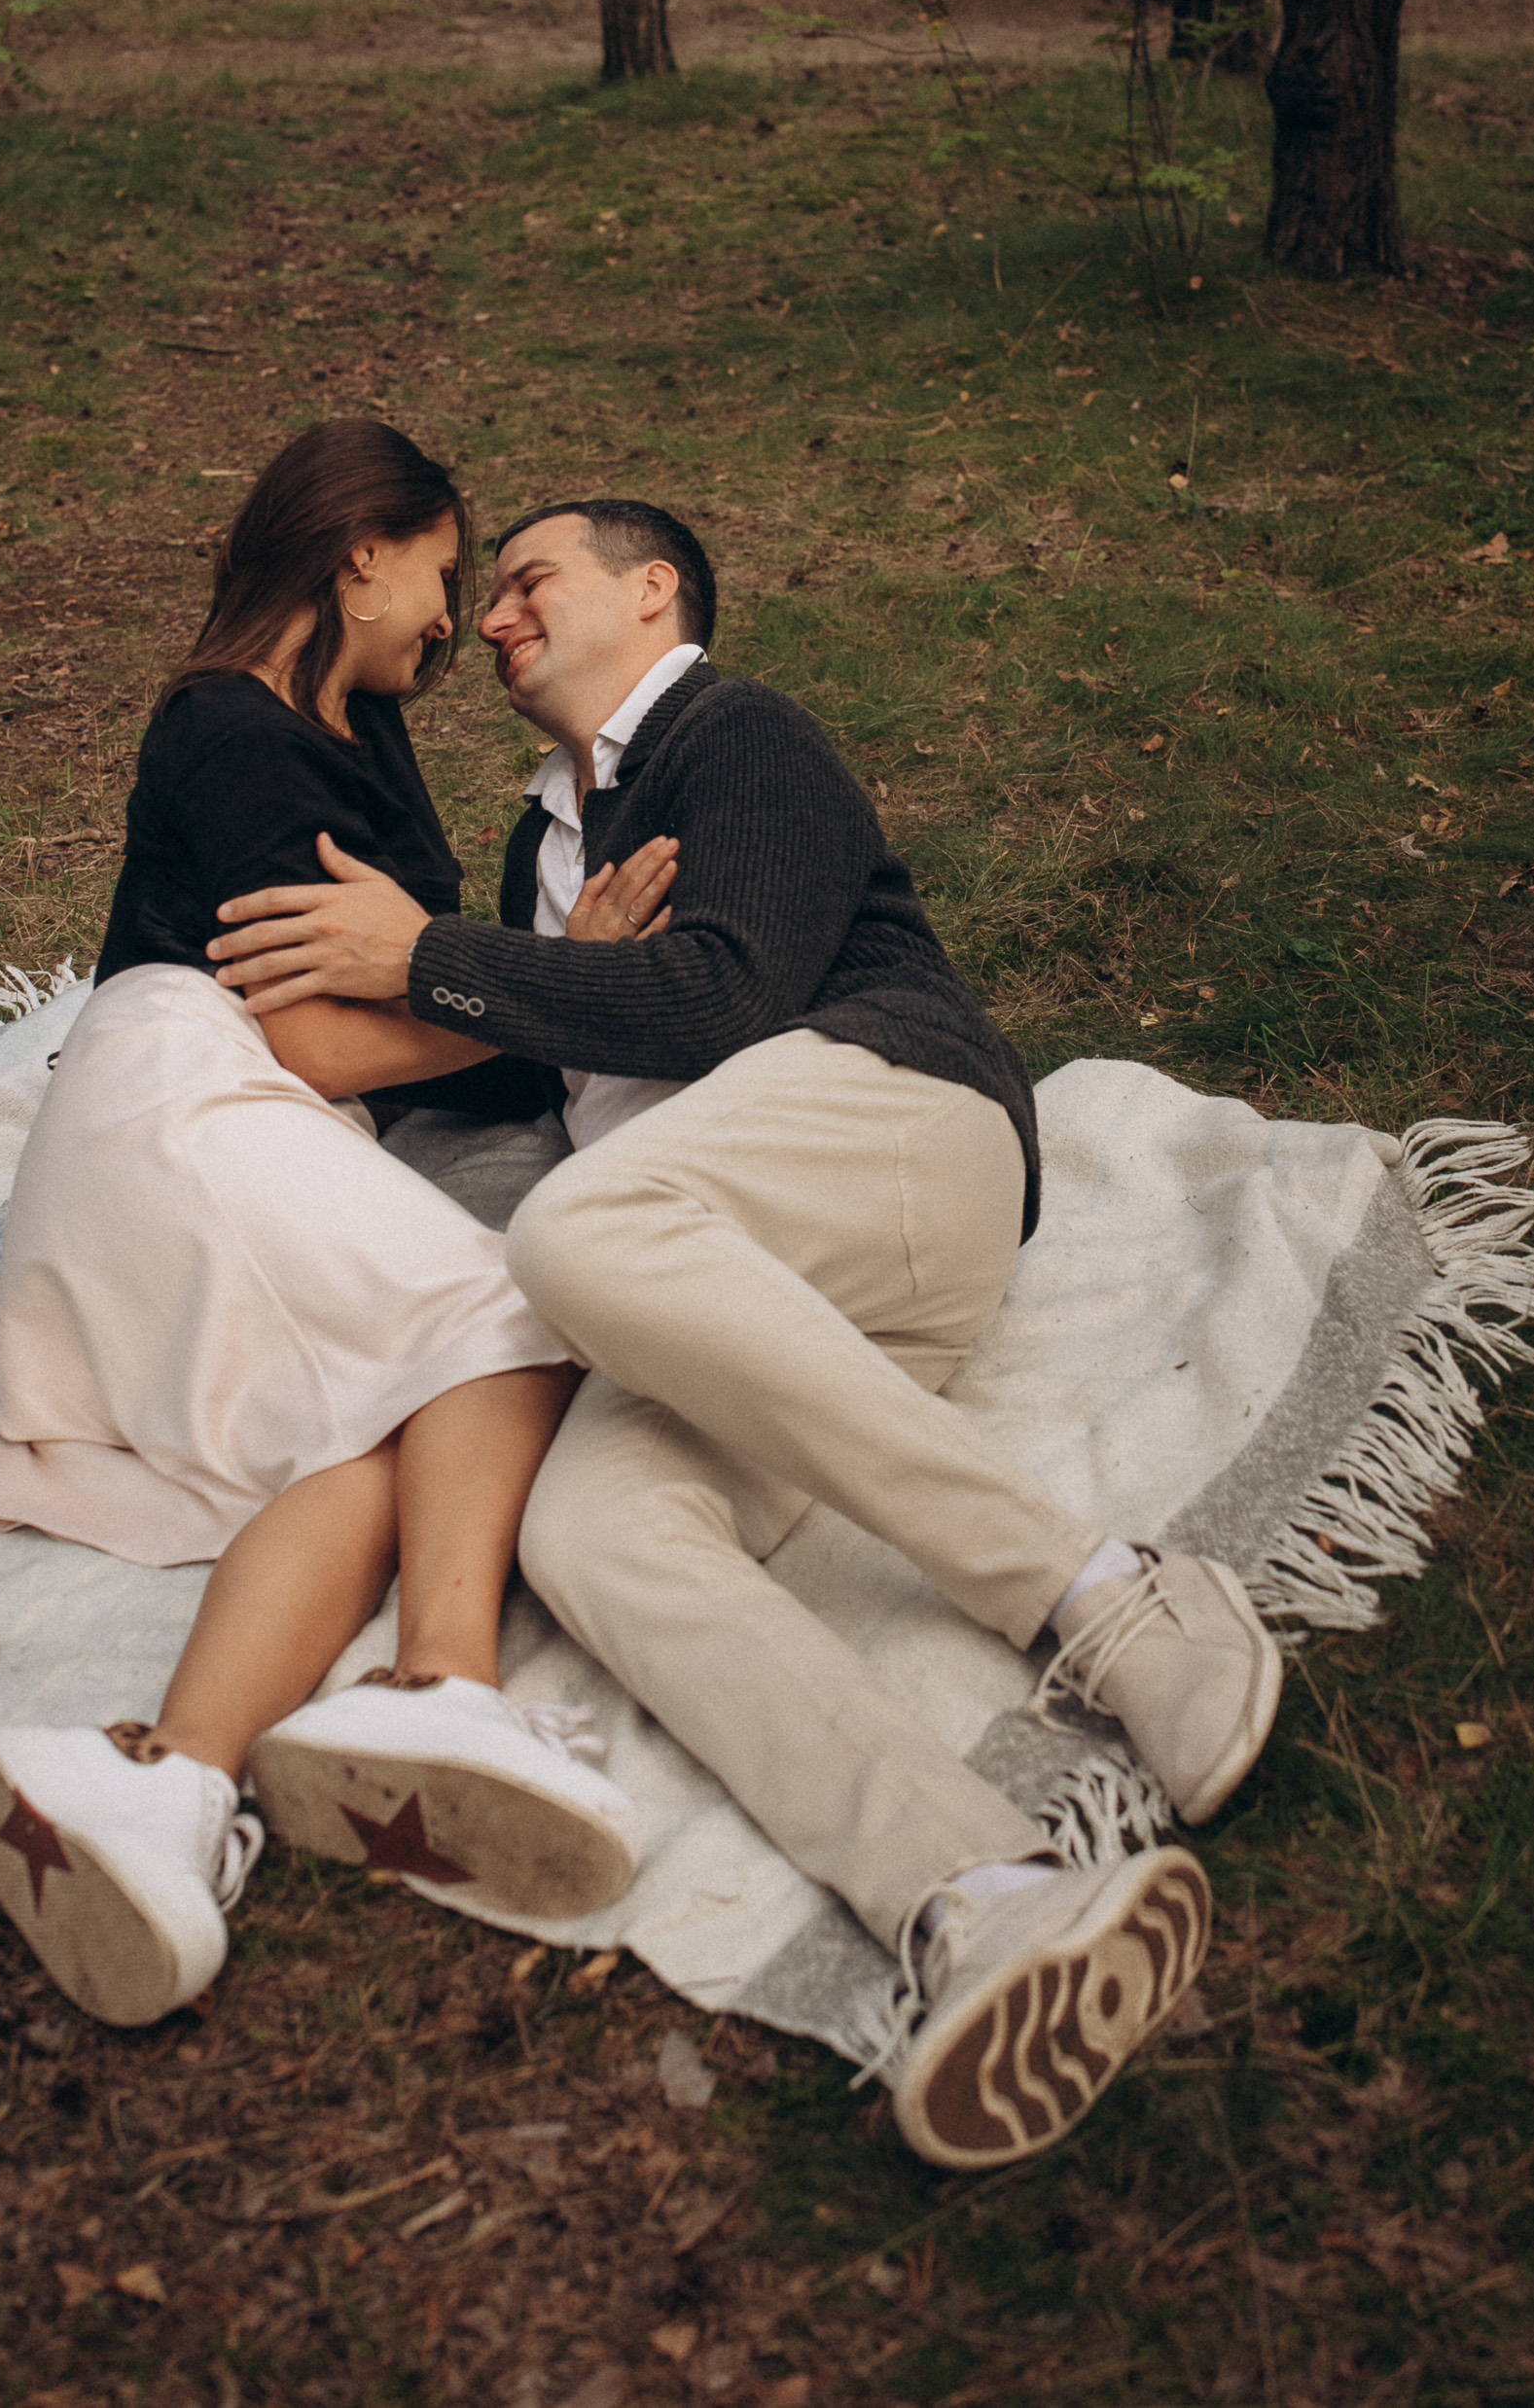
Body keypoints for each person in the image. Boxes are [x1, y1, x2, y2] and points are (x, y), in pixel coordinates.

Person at [208, 497, 1285, 2169]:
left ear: (653, 593)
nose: (492, 618)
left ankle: (1103, 1597)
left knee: (578, 1226)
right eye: (486, 595)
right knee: (589, 1532)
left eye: (528, 580)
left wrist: (432, 957)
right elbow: (537, 1045)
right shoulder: (539, 838)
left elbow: (720, 994)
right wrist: (359, 1027)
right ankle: (977, 1896)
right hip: (733, 1286)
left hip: (896, 1137)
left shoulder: (737, 735)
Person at [0, 423, 677, 2030]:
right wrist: (554, 984)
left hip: (261, 1126)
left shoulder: (355, 728)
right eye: (444, 575)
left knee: (385, 1426)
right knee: (506, 1316)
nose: (455, 621)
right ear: (356, 554)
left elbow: (398, 1001)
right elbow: (321, 1036)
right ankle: (446, 1687)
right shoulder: (229, 731)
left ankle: (170, 1784)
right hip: (178, 1094)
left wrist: (533, 999)